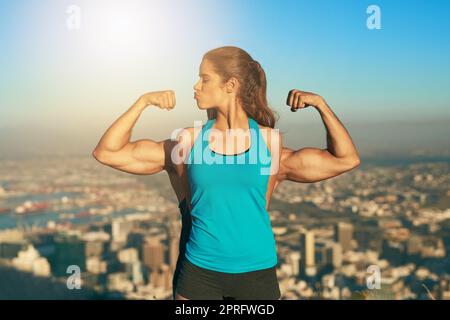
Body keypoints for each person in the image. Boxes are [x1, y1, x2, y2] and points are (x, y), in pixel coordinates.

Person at [92, 46, 360, 300]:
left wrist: (321, 105)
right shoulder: (188, 142)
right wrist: (142, 102)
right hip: (199, 273)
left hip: (258, 274)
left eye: (204, 79)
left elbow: (345, 159)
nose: (195, 87)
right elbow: (107, 153)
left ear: (230, 85)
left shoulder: (269, 143)